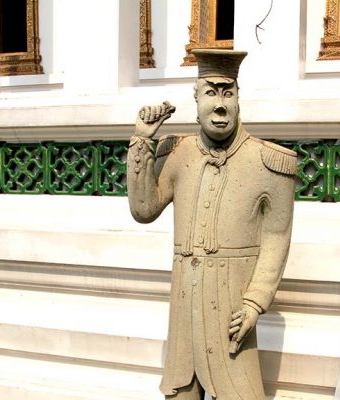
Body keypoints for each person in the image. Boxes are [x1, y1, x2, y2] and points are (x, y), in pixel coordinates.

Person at [127, 49, 296, 400]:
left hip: (231, 311)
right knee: (180, 393)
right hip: (186, 307)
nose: (220, 105)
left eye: (228, 93)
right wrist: (142, 140)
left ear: (238, 99)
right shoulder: (176, 154)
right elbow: (144, 209)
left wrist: (255, 302)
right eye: (210, 92)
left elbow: (277, 237)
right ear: (196, 98)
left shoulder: (270, 163)